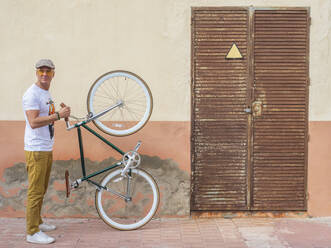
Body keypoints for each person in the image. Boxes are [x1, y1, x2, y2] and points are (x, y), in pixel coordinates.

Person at [22, 59, 70, 244]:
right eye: (41, 71)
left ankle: (38, 222)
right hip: (36, 149)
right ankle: (32, 232)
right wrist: (58, 115)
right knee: (35, 191)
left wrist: (60, 112)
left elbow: (46, 116)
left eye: (48, 71)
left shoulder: (45, 92)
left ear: (53, 74)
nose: (44, 74)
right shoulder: (31, 94)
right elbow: (33, 122)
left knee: (41, 189)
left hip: (45, 147)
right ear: (36, 72)